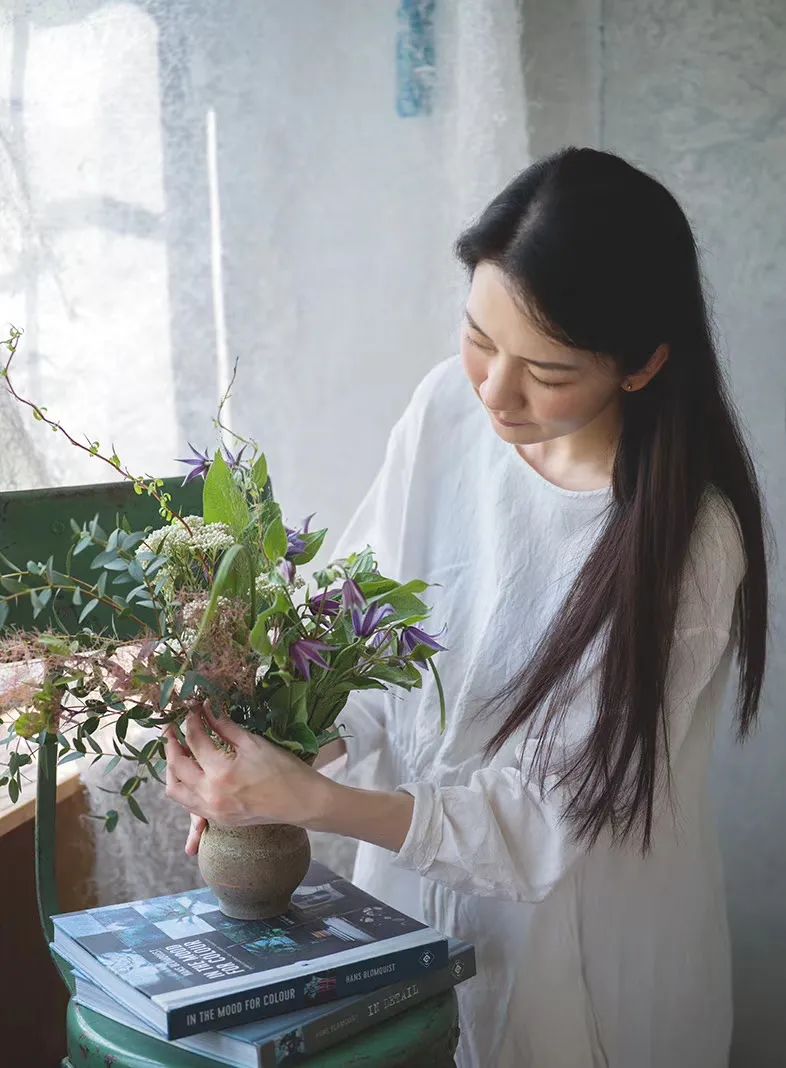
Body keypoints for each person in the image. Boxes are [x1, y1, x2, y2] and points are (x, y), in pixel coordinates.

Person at [164, 146, 770, 1067]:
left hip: (581, 945)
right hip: (408, 893)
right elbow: (356, 644)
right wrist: (274, 756)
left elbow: (541, 824)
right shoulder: (448, 407)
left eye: (550, 372)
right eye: (481, 339)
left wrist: (319, 801)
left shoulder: (686, 537)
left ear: (642, 364)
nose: (496, 390)